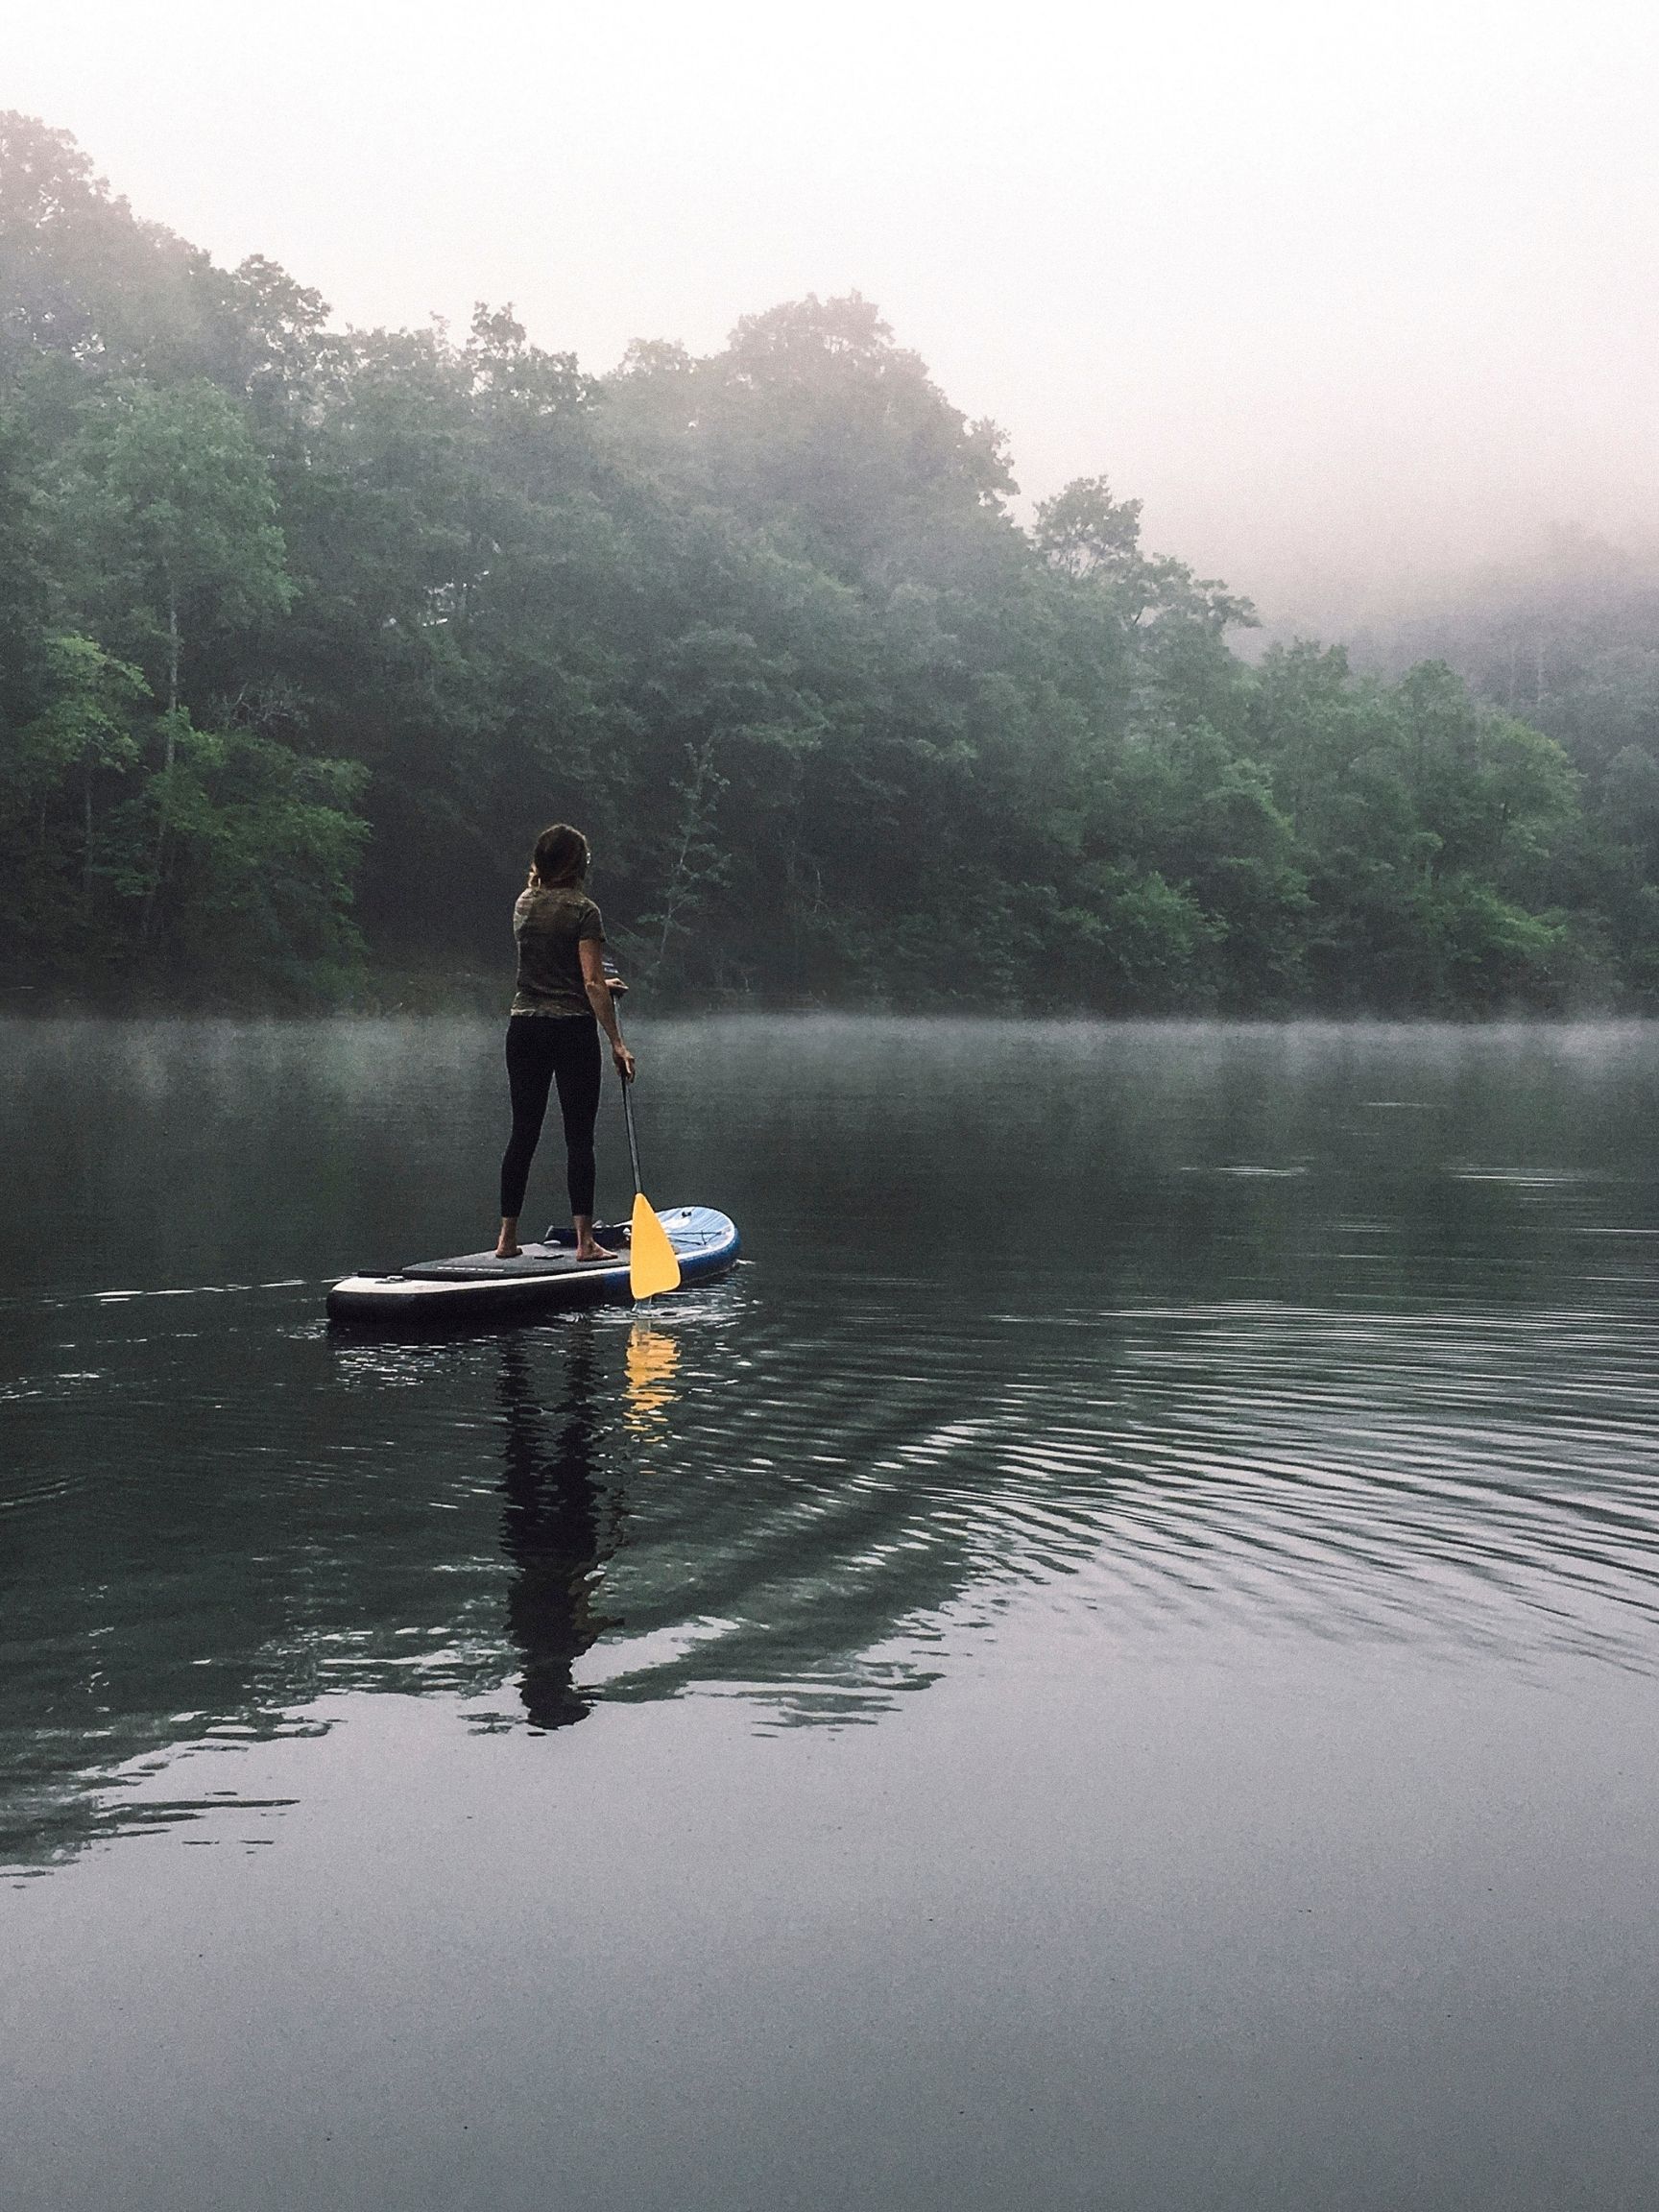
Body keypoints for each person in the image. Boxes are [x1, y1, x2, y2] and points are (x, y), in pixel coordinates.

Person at [496, 823, 635, 1262]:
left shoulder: (524, 903)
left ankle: (506, 1240)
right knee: (579, 1137)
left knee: (523, 1133)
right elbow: (591, 981)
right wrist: (616, 1041)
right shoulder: (583, 910)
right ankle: (586, 1243)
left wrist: (593, 983)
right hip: (571, 1030)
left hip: (524, 1028)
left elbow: (551, 969)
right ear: (578, 864)